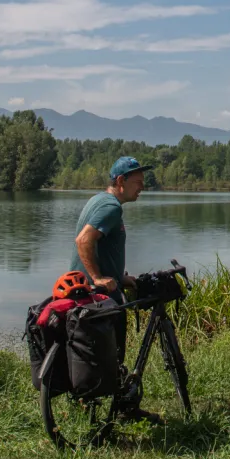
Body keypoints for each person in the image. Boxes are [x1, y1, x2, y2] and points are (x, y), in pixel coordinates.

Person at [69, 155, 159, 421]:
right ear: (121, 181)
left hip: (85, 291)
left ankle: (100, 408)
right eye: (138, 182)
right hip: (99, 296)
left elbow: (102, 246)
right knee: (112, 354)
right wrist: (98, 278)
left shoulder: (99, 200)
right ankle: (118, 412)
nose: (142, 187)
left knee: (98, 353)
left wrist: (120, 277)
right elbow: (84, 241)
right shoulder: (110, 207)